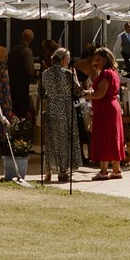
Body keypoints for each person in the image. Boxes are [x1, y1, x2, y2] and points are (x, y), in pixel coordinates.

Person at [37, 47, 80, 183]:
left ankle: (48, 171)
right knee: (64, 139)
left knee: (50, 139)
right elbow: (78, 91)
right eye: (67, 58)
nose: (69, 60)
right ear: (62, 59)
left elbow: (41, 92)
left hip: (51, 108)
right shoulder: (68, 73)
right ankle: (63, 171)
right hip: (65, 108)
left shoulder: (45, 74)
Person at [84, 46, 125, 180]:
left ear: (106, 59)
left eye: (99, 59)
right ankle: (116, 170)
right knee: (114, 138)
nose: (96, 61)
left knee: (104, 138)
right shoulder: (113, 72)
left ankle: (103, 171)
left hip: (106, 109)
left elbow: (101, 93)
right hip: (112, 107)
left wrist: (87, 95)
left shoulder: (106, 73)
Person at [8, 28, 37, 121]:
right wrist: (34, 73)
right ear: (30, 39)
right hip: (22, 84)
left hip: (12, 82)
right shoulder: (27, 51)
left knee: (14, 109)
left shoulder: (12, 50)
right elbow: (29, 69)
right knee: (22, 109)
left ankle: (15, 128)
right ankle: (22, 129)